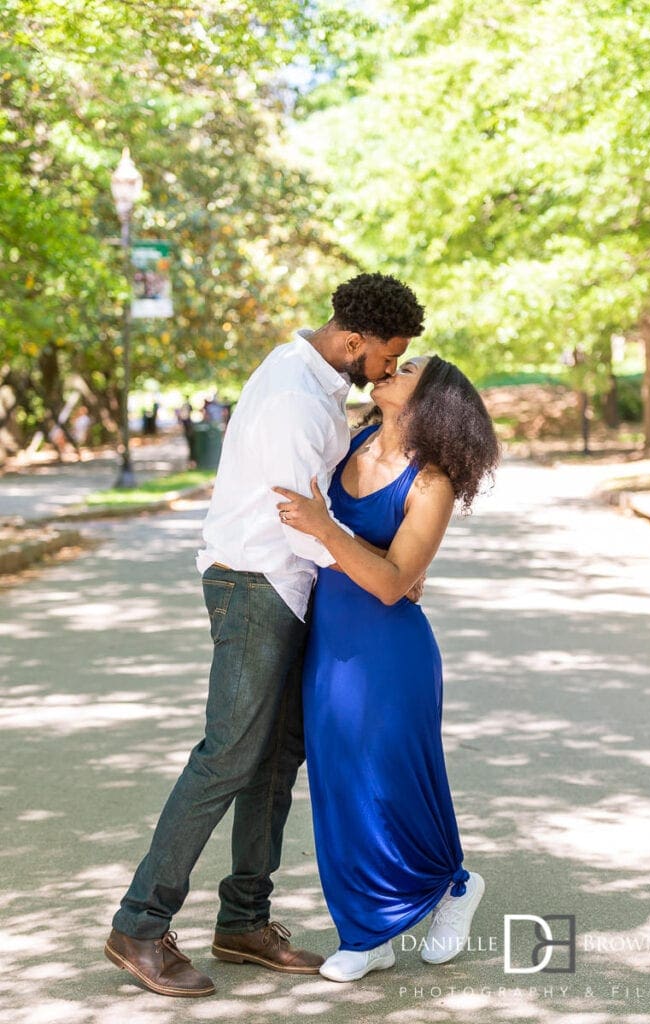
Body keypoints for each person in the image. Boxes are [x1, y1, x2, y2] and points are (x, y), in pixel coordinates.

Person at [104, 272, 426, 997]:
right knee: (229, 757)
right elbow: (300, 523)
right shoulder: (290, 396)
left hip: (287, 588)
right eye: (385, 355)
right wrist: (382, 570)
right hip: (254, 584)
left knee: (277, 760)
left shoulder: (318, 388)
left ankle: (244, 921)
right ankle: (139, 926)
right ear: (353, 340)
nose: (385, 369)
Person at [274, 354, 500, 982]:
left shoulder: (433, 482)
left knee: (394, 785)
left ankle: (453, 887)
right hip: (330, 643)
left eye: (406, 369)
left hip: (390, 654)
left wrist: (326, 530)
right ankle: (366, 932)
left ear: (432, 397)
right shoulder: (355, 442)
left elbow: (395, 584)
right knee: (338, 786)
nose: (387, 370)